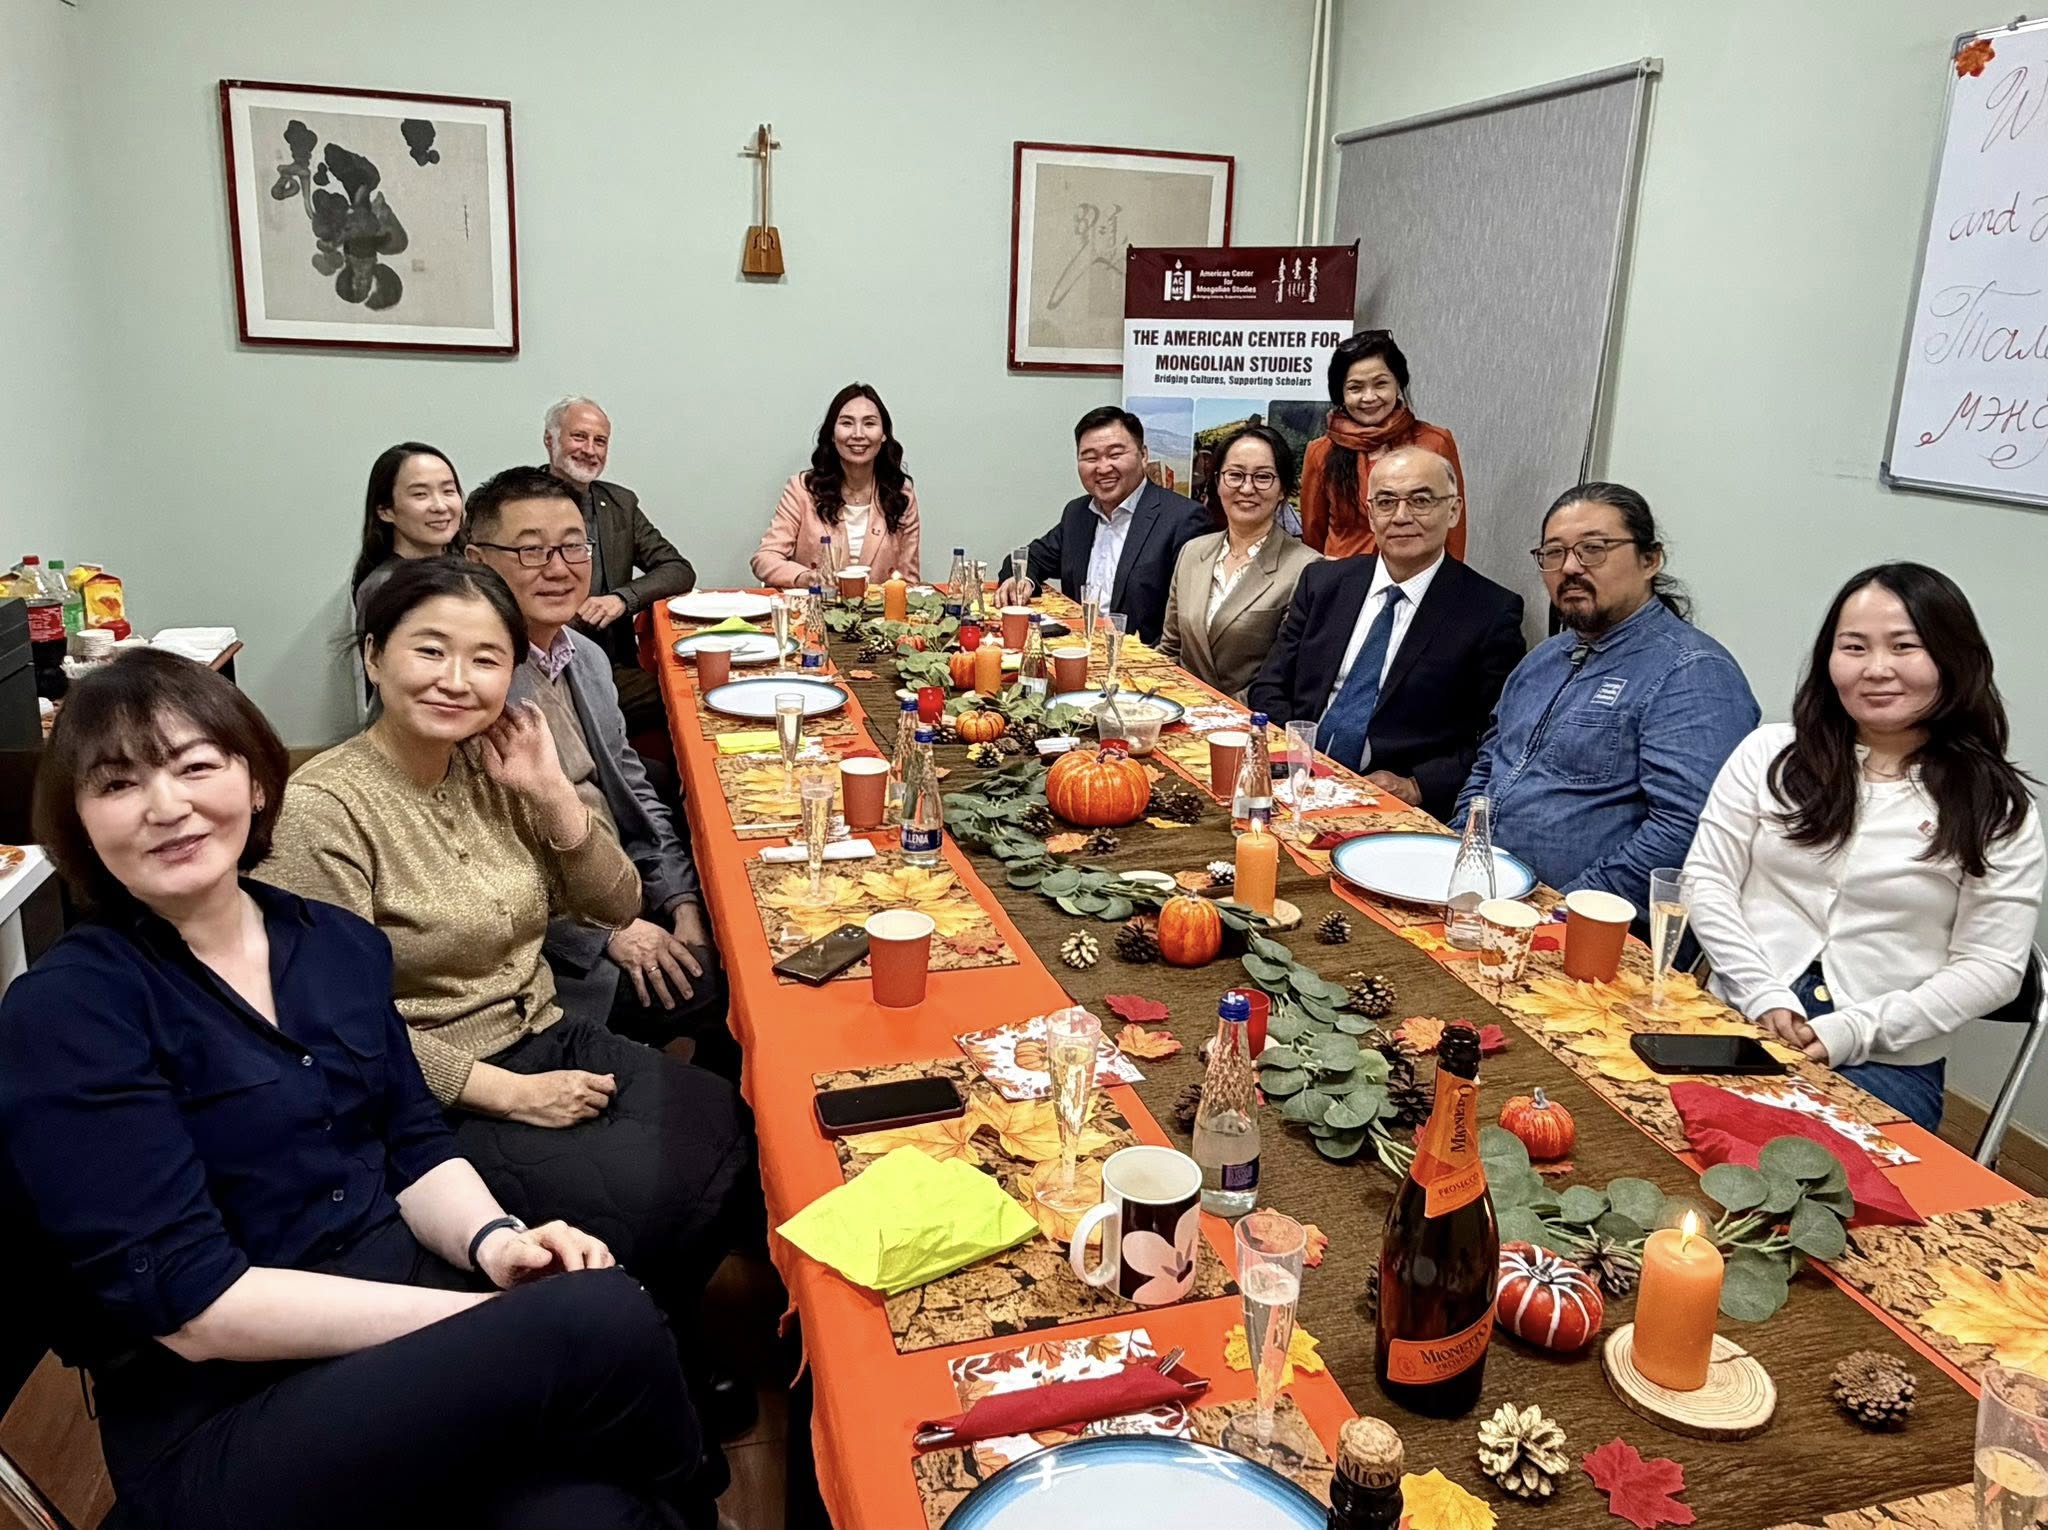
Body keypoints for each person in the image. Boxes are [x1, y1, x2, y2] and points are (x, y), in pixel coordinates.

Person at [0, 648, 710, 1528]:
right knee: (602, 1317)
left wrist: (496, 1245)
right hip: (225, 1415)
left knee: (592, 1514)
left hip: (398, 1334)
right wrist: (473, 1319)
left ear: (257, 781)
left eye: (194, 766)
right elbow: (198, 1309)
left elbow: (414, 1145)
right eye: (117, 784)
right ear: (77, 821)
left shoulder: (337, 945)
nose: (166, 805)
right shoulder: (70, 1011)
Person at [265, 559, 752, 1337]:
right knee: (657, 1193)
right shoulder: (321, 812)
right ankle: (639, 1351)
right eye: (430, 650)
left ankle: (671, 1329)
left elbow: (616, 903)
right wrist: (508, 1093)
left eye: (486, 659)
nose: (457, 680)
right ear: (374, 656)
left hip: (546, 1031)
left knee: (740, 1125)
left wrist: (551, 791)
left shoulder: (488, 765)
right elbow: (340, 1034)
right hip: (429, 1094)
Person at [1685, 564, 2044, 1131]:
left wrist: (1852, 1030)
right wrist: (1762, 994)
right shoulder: (1769, 754)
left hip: (1884, 1058)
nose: (1877, 669)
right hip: (1733, 1015)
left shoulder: (1995, 804)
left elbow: (1992, 967)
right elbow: (1707, 880)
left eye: (1905, 646)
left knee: (1805, 1176)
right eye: (1854, 647)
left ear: (1954, 658)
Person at [463, 466, 730, 1072]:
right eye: (531, 550)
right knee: (729, 987)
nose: (558, 568)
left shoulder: (580, 655)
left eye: (572, 546)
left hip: (618, 880)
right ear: (479, 561)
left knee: (746, 916)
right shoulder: (473, 686)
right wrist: (609, 935)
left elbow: (631, 789)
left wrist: (680, 901)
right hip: (553, 948)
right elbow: (482, 863)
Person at [1456, 482, 1759, 902]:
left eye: (1593, 549)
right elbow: (1489, 766)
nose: (1570, 567)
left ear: (1650, 560)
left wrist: (1567, 909)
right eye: (1554, 552)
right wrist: (1460, 856)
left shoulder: (1693, 673)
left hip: (1583, 918)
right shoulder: (1544, 659)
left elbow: (1684, 831)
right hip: (1486, 895)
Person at [1249, 446, 1522, 818]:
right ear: (1370, 512)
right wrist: (1297, 752)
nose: (1401, 516)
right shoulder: (1324, 582)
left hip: (1393, 800)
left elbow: (1498, 736)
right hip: (1296, 776)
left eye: (1421, 501)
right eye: (1386, 502)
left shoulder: (1489, 611)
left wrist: (1417, 785)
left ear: (1454, 510)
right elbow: (1270, 684)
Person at [542, 396, 696, 733]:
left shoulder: (618, 505)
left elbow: (678, 570)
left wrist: (622, 599)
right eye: (579, 437)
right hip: (546, 665)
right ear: (549, 440)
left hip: (613, 665)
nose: (590, 450)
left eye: (600, 441)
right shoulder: (519, 504)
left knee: (688, 695)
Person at [998, 405, 1209, 646]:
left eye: (1115, 454)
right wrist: (1021, 580)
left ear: (1143, 455)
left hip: (1144, 660)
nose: (1103, 467)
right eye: (1090, 458)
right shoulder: (1078, 513)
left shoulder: (1183, 519)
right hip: (1079, 650)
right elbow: (1028, 558)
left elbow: (1191, 621)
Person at [1156, 424, 1322, 701]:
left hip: (1249, 717)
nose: (1246, 488)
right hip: (1178, 710)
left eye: (1263, 477)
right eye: (1235, 475)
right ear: (1218, 481)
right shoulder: (1192, 552)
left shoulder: (1308, 568)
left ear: (1283, 489)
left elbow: (1284, 678)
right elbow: (1171, 650)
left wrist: (1215, 713)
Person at [1299, 331, 1468, 562]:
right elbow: (1313, 535)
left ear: (1398, 383)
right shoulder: (1320, 452)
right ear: (1341, 393)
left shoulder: (1434, 443)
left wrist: (1448, 580)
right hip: (1342, 576)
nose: (1369, 397)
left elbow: (1453, 530)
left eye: (1380, 384)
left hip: (1416, 573)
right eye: (1355, 388)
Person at [752, 382, 922, 587]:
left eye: (869, 424)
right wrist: (807, 578)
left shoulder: (901, 494)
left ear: (884, 434)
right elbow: (765, 558)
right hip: (817, 604)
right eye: (847, 423)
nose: (858, 434)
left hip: (879, 608)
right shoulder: (802, 489)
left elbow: (909, 581)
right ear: (832, 434)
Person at [349, 441, 464, 629]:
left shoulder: (470, 570)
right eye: (420, 494)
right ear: (385, 511)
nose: (440, 506)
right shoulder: (385, 585)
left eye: (448, 491)